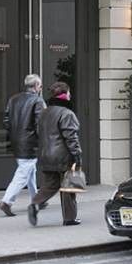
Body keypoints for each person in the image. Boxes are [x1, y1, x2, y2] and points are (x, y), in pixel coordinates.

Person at [28, 82, 82, 227]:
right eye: (69, 93)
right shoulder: (67, 113)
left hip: (46, 155)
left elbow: (39, 133)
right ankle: (70, 218)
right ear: (66, 95)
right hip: (63, 156)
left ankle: (35, 204)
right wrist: (77, 155)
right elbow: (71, 137)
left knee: (50, 185)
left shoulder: (44, 113)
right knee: (68, 187)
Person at [0, 74, 46, 217]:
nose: (41, 88)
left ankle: (37, 200)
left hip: (16, 141)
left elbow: (6, 121)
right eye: (41, 85)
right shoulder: (38, 101)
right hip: (30, 143)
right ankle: (7, 201)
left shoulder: (13, 99)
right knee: (23, 174)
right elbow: (41, 124)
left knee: (29, 171)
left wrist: (14, 133)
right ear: (37, 86)